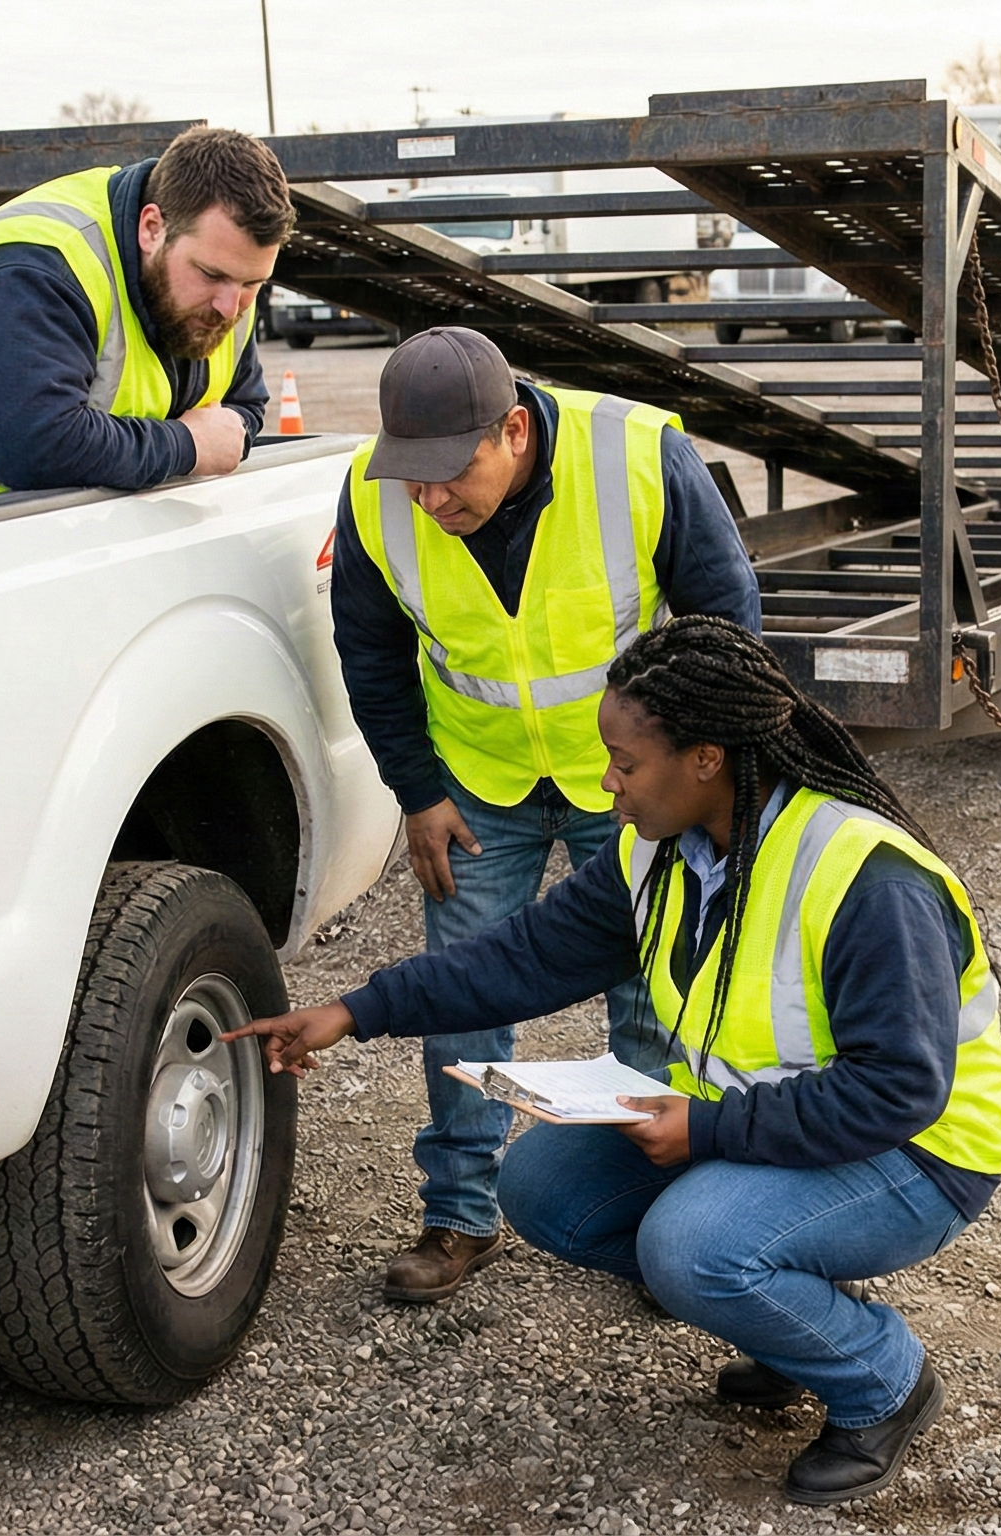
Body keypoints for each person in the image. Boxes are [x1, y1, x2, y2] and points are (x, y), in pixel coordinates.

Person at [228, 616, 1001, 1506]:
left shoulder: (866, 875)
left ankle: (883, 1379)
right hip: (784, 1129)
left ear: (707, 758)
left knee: (690, 1247)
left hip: (917, 1154)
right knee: (545, 1187)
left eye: (625, 764)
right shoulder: (662, 850)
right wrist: (354, 1011)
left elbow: (902, 1086)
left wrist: (709, 1129)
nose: (608, 787)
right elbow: (520, 958)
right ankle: (793, 1329)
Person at [329, 326, 760, 1304]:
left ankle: (640, 1206)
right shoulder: (372, 494)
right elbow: (370, 649)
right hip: (477, 784)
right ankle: (458, 1215)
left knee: (652, 1002)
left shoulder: (640, 455)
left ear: (513, 429)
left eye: (450, 476)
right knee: (460, 994)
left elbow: (727, 618)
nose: (430, 503)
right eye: (414, 481)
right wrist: (417, 792)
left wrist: (702, 789)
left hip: (633, 789)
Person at [0, 127, 290, 517]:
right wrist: (186, 446)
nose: (232, 307)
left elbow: (241, 408)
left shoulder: (226, 289)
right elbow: (36, 445)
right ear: (152, 228)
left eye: (254, 283)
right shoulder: (36, 264)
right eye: (212, 275)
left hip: (31, 541)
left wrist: (194, 443)